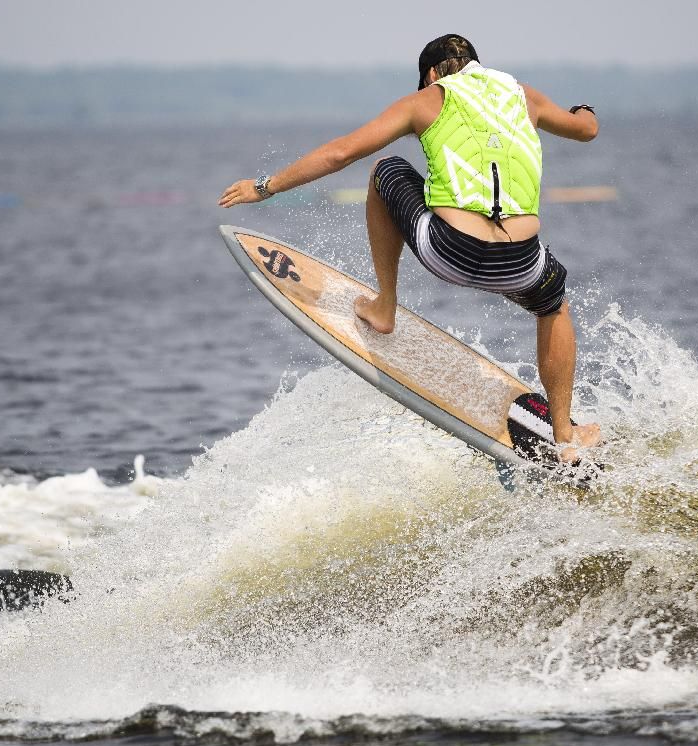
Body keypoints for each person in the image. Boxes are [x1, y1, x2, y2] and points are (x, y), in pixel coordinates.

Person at [220, 34, 601, 461]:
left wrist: (263, 188)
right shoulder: (523, 96)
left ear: (432, 74)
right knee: (553, 305)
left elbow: (340, 154)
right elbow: (586, 129)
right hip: (520, 263)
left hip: (449, 250)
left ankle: (385, 305)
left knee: (386, 170)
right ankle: (565, 433)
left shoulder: (425, 101)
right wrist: (583, 106)